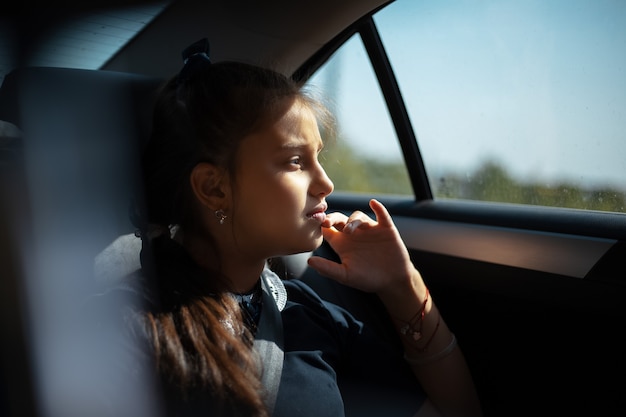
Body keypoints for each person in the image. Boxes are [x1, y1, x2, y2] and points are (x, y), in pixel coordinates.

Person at [104, 38, 482, 417]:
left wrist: (403, 286)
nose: (326, 183)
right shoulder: (125, 332)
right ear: (214, 188)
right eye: (295, 160)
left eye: (317, 156)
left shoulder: (310, 312)